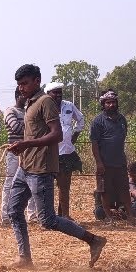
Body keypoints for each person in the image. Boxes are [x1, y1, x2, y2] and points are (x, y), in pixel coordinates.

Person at [4, 64, 107, 268]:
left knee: (48, 220)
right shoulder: (30, 103)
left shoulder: (46, 102)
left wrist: (26, 144)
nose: (21, 88)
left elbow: (57, 135)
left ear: (37, 81)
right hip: (25, 167)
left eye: (25, 83)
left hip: (40, 169)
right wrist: (23, 147)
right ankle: (24, 258)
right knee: (14, 211)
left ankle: (94, 240)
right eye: (19, 84)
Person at [89, 89, 130, 222]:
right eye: (108, 103)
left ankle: (131, 217)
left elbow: (123, 136)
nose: (111, 105)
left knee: (124, 189)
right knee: (104, 191)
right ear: (103, 104)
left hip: (120, 162)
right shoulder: (97, 121)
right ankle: (109, 218)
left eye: (113, 102)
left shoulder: (122, 119)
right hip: (105, 163)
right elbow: (94, 144)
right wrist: (99, 163)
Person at [46, 82, 85, 218]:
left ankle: (65, 215)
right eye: (54, 92)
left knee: (64, 186)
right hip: (50, 153)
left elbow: (80, 119)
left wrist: (75, 134)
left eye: (59, 92)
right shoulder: (44, 108)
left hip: (67, 152)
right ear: (48, 94)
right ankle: (51, 216)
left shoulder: (68, 105)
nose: (58, 95)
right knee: (48, 187)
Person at [0, 90, 26, 225]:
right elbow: (16, 128)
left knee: (31, 182)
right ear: (17, 96)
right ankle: (5, 215)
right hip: (14, 153)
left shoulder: (28, 111)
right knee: (10, 182)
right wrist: (33, 128)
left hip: (28, 151)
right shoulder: (10, 111)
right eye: (23, 95)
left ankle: (32, 215)